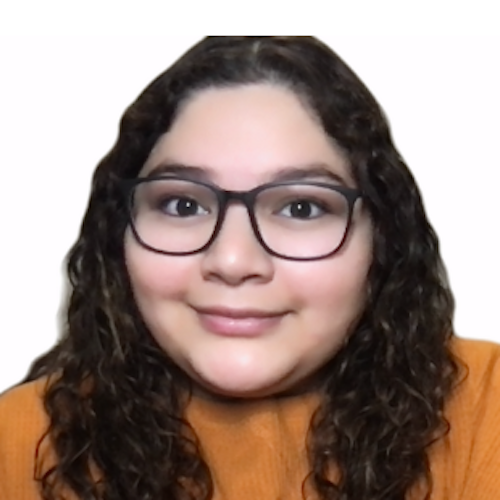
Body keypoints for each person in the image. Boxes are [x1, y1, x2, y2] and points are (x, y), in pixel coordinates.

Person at [0, 36, 499, 500]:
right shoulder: (17, 441)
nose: (233, 262)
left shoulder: (485, 409)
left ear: (383, 240)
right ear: (118, 236)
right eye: (182, 204)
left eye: (301, 208)